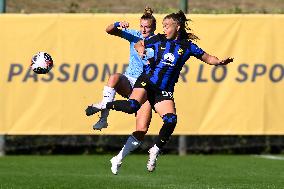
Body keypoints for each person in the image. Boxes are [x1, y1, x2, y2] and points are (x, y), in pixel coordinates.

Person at [87, 10, 233, 172]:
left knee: (170, 120)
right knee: (131, 105)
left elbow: (206, 57)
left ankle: (154, 150)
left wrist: (219, 61)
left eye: (166, 26)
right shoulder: (157, 39)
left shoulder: (187, 46)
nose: (164, 30)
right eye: (162, 26)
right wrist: (140, 49)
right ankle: (105, 106)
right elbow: (138, 43)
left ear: (177, 27)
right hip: (146, 82)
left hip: (163, 90)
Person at [86, 7, 156, 175]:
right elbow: (109, 30)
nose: (143, 29)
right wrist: (118, 23)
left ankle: (118, 158)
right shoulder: (134, 35)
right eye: (142, 26)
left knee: (141, 130)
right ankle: (104, 118)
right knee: (114, 77)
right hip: (131, 81)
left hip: (146, 88)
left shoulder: (159, 42)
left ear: (153, 27)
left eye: (147, 27)